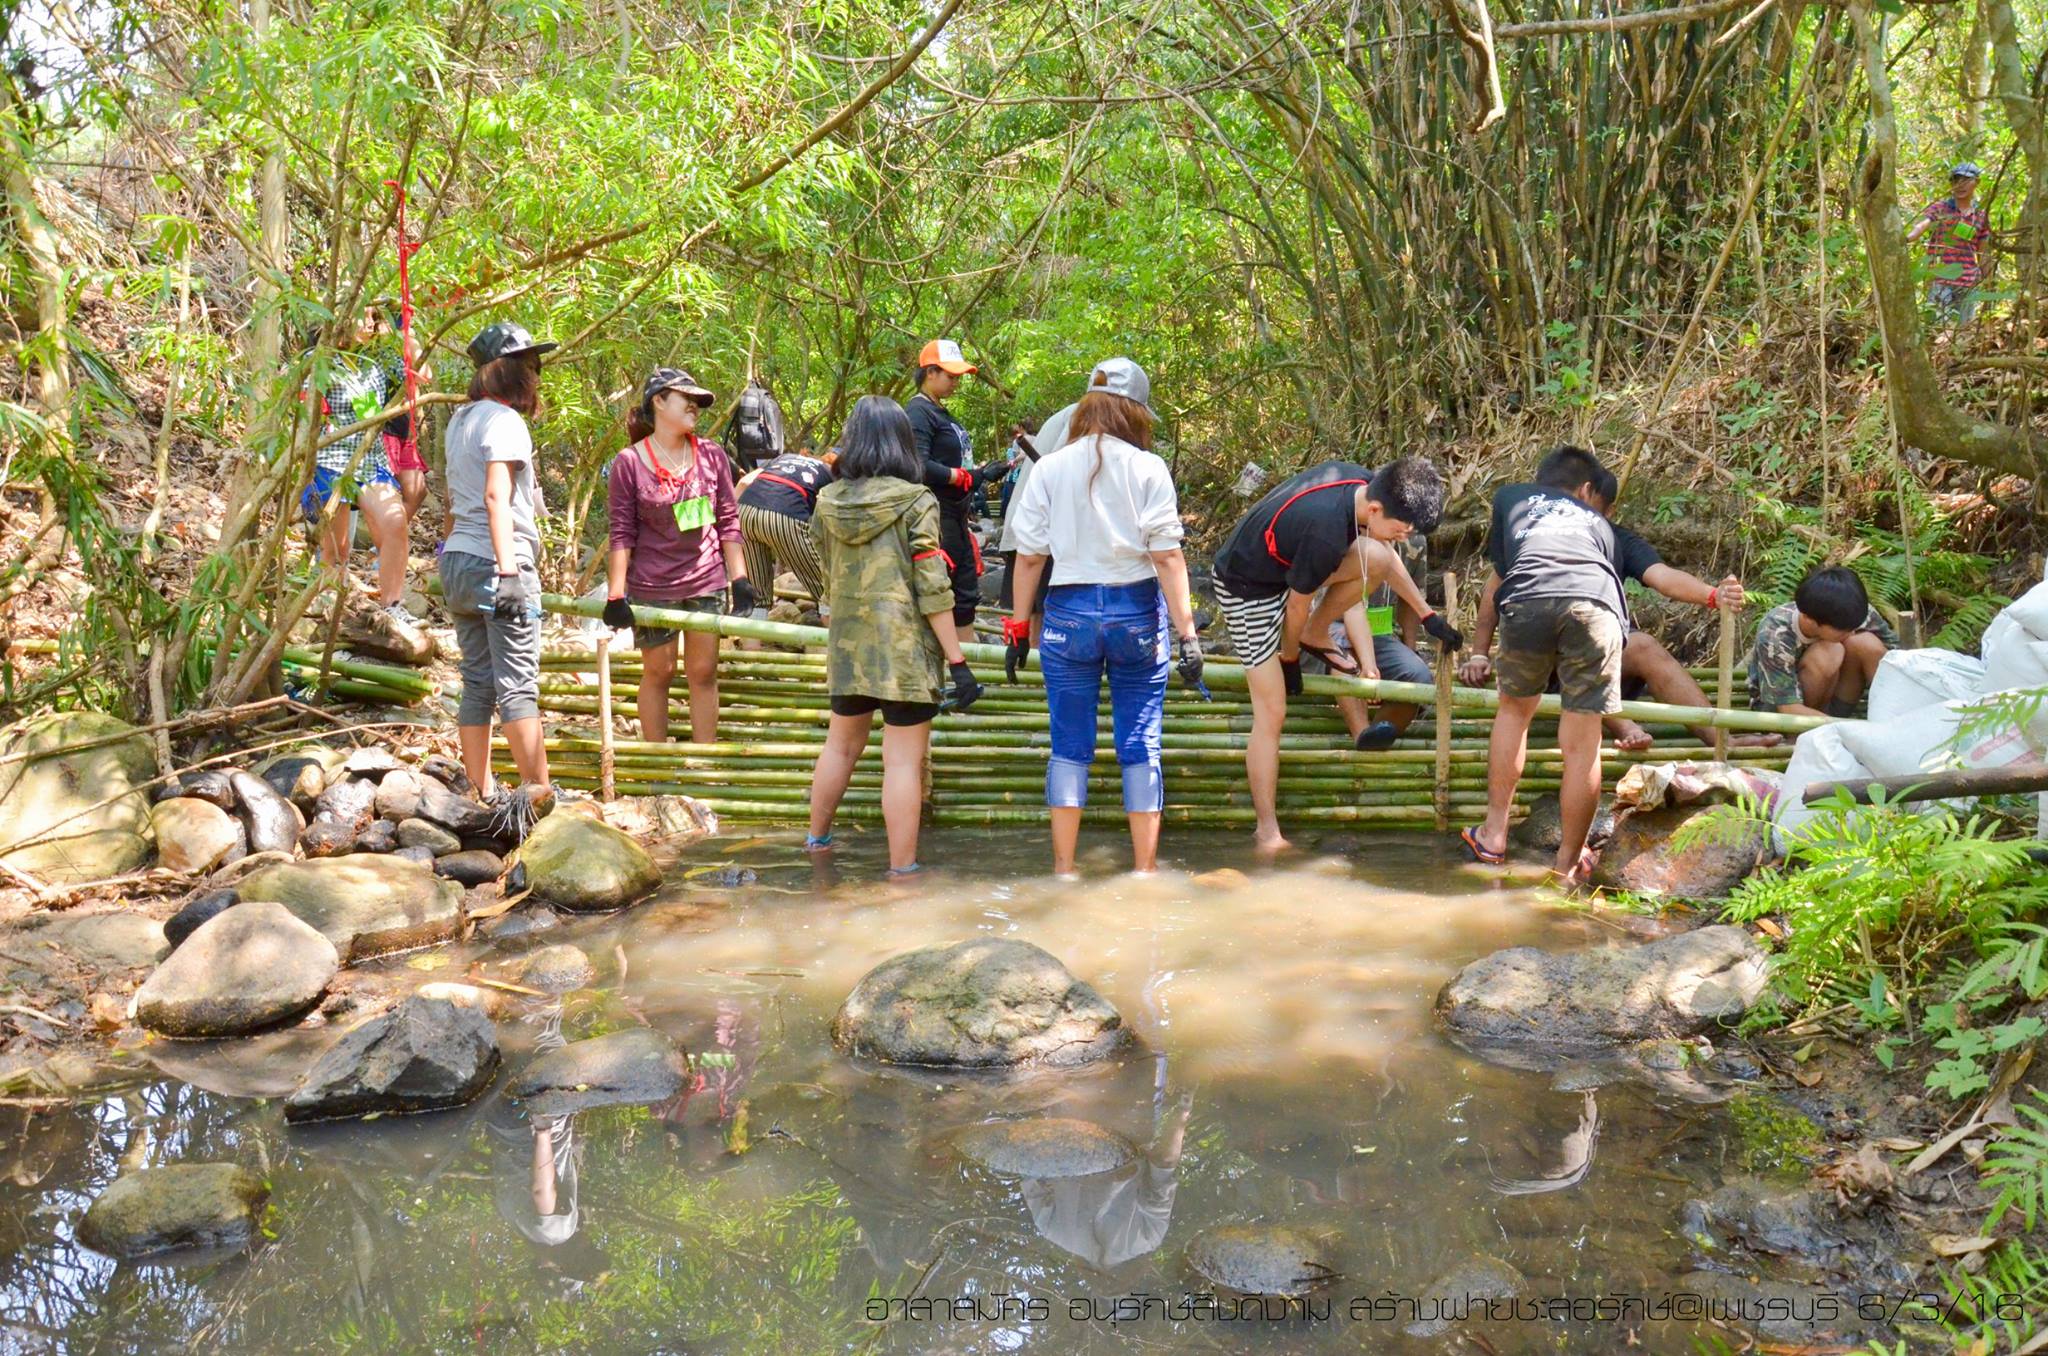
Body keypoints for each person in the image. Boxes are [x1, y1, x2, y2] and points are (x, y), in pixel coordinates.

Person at [1460, 446, 1743, 884]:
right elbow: (1654, 581)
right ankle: (1568, 864)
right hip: (1594, 611)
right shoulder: (1601, 529)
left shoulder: (1511, 499)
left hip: (1529, 601)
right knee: (1583, 744)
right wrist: (1711, 595)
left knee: (1513, 713)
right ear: (1588, 491)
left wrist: (1479, 650)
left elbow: (1499, 583)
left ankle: (1494, 835)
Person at [1004, 358, 1203, 877]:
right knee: (1140, 744)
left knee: (1069, 744)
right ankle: (1144, 871)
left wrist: (1018, 628)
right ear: (1135, 412)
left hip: (1067, 614)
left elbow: (1029, 557)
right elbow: (1167, 556)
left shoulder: (1049, 468)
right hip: (1135, 611)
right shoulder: (1148, 468)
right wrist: (1188, 634)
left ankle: (1065, 871)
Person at [1210, 457, 1452, 850]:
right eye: (1400, 529)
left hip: (1284, 571)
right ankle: (1266, 830)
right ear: (1375, 510)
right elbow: (1295, 606)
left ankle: (1316, 633)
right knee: (1272, 710)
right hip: (1246, 587)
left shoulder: (1361, 483)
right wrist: (1289, 660)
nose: (1403, 537)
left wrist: (1427, 615)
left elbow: (1381, 565)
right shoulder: (1324, 531)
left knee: (1377, 556)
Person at [1461, 471, 1782, 751]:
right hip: (1540, 663)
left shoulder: (1616, 538)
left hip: (1597, 654)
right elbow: (1495, 589)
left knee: (1642, 646)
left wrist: (1713, 595)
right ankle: (1624, 725)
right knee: (1573, 632)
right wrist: (1478, 654)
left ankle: (1719, 740)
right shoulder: (1533, 534)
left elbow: (1664, 577)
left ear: (1605, 508)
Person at [806, 395, 983, 875]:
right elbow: (932, 587)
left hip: (848, 646)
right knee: (901, 762)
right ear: (902, 443)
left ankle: (816, 844)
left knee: (840, 746)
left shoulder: (826, 501)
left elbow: (827, 574)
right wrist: (959, 663)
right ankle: (901, 871)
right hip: (904, 651)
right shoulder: (916, 501)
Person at [600, 369, 753, 745]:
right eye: (687, 398)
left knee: (703, 671)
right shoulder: (629, 462)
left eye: (698, 402)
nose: (695, 407)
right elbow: (621, 532)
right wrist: (616, 595)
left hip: (706, 579)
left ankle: (704, 763)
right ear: (658, 401)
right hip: (652, 586)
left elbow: (728, 520)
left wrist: (740, 579)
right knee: (659, 672)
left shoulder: (712, 455)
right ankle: (656, 768)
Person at [438, 320, 555, 797]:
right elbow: (495, 498)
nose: (537, 374)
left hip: (460, 562)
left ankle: (480, 791)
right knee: (518, 686)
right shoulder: (505, 421)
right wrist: (509, 572)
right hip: (496, 564)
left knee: (479, 683)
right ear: (508, 371)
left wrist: (444, 561)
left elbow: (452, 501)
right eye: (531, 365)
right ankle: (539, 794)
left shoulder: (459, 420)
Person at [300, 303, 418, 624]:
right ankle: (327, 615)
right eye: (362, 318)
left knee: (394, 522)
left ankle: (392, 606)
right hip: (329, 458)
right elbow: (303, 415)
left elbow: (421, 370)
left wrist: (398, 334)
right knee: (335, 550)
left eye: (371, 318)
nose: (368, 324)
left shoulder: (378, 360)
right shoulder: (319, 362)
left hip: (370, 456)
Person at [907, 339, 1010, 629]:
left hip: (956, 512)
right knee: (940, 589)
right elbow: (918, 463)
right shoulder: (918, 412)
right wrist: (961, 476)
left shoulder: (941, 411)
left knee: (965, 592)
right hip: (936, 513)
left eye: (958, 377)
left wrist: (976, 474)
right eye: (950, 377)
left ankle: (962, 663)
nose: (956, 383)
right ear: (930, 373)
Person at [1748, 565, 1897, 717]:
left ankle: (1894, 717)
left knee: (1865, 643)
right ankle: (1808, 734)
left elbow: (1898, 658)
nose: (1852, 632)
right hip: (1784, 713)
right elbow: (1788, 709)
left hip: (1832, 711)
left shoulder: (1850, 610)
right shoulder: (1775, 633)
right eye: (1843, 629)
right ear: (1810, 620)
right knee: (1828, 651)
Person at [734, 445, 835, 613]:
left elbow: (745, 481)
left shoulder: (781, 459)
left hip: (744, 510)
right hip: (784, 516)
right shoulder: (828, 472)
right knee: (828, 591)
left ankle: (754, 634)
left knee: (758, 597)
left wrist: (731, 517)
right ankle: (836, 634)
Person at [1907, 162, 1990, 324]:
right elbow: (1922, 226)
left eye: (1966, 180)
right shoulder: (1941, 208)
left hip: (1968, 281)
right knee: (1938, 327)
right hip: (1940, 278)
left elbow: (1983, 252)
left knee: (1963, 330)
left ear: (1977, 182)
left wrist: (1989, 281)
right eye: (1956, 181)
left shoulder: (1980, 216)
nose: (1960, 185)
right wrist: (1907, 238)